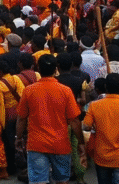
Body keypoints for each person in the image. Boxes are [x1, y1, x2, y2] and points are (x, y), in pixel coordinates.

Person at [16, 54, 84, 184]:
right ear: (55, 69)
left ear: (38, 69)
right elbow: (74, 121)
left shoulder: (29, 91)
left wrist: (18, 138)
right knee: (62, 181)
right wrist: (81, 143)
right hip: (60, 144)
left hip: (36, 144)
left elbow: (21, 119)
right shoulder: (65, 91)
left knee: (38, 181)